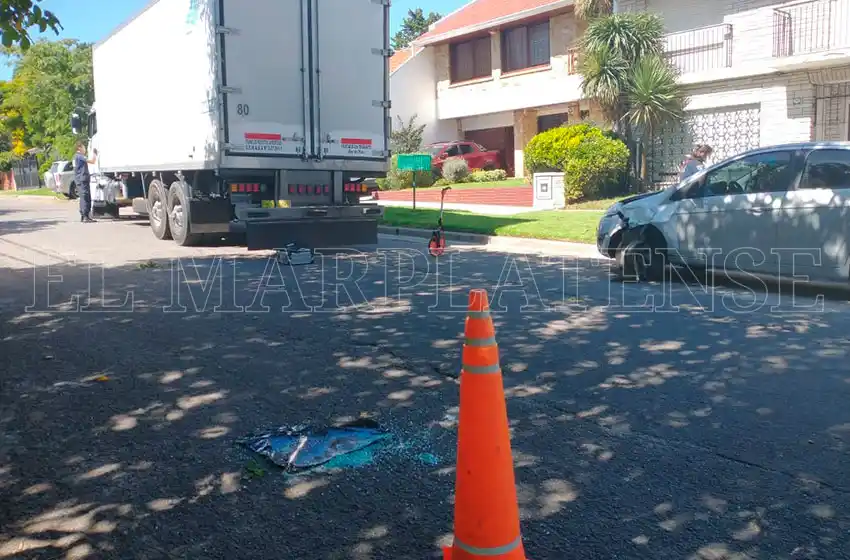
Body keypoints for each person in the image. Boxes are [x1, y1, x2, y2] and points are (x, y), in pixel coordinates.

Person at [73, 142, 98, 223]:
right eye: (83, 147)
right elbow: (92, 161)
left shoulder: (75, 157)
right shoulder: (80, 156)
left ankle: (84, 215)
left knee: (83, 197)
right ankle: (85, 216)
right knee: (85, 197)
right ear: (79, 148)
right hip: (82, 179)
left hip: (79, 179)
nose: (85, 149)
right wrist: (95, 154)